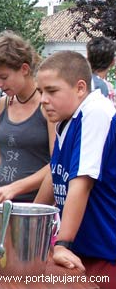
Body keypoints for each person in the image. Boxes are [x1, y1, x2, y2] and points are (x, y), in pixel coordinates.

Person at [34, 50, 116, 288]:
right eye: (41, 92)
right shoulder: (66, 119)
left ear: (80, 88)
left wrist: (63, 244)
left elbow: (82, 182)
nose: (43, 100)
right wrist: (27, 222)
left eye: (52, 91)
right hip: (84, 252)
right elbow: (55, 172)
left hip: (106, 255)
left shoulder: (95, 113)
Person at [0, 31, 55, 207]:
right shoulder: (4, 104)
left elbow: (57, 164)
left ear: (24, 69)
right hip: (0, 202)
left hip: (32, 205)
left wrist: (14, 188)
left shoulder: (47, 105)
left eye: (3, 77)